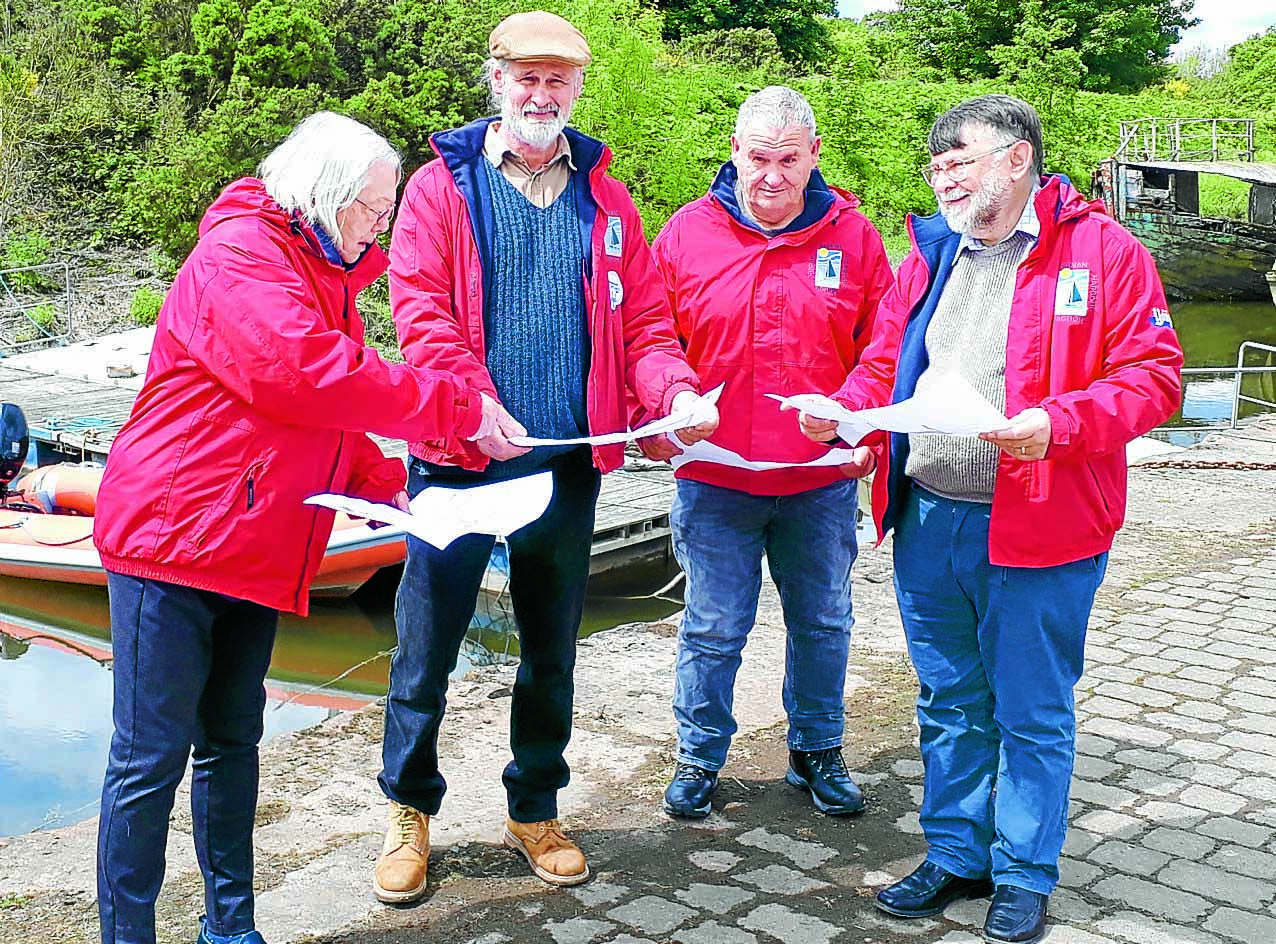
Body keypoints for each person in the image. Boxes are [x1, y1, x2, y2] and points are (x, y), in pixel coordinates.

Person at [92, 111, 503, 944]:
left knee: (233, 741)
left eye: (388, 207)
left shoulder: (326, 274)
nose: (382, 222)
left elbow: (334, 418)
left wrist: (388, 488)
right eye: (372, 206)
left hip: (252, 545)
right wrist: (457, 403)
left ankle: (229, 928)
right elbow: (305, 375)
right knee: (149, 762)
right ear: (324, 194)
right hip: (170, 545)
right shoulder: (239, 254)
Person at [798, 95, 1183, 944]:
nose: (941, 175)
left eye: (958, 159)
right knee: (947, 701)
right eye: (934, 164)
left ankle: (1022, 872)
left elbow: (1155, 378)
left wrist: (1060, 422)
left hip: (1041, 523)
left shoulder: (1102, 249)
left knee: (1031, 710)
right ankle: (955, 853)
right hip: (930, 520)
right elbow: (886, 362)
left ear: (1016, 160)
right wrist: (847, 410)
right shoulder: (930, 253)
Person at [373, 10, 717, 900]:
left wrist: (673, 390)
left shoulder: (606, 194)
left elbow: (643, 320)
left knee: (551, 649)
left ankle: (533, 807)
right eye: (526, 77)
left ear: (576, 90)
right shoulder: (439, 187)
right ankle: (409, 810)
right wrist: (471, 400)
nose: (541, 94)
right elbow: (419, 312)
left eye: (557, 80)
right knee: (426, 646)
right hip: (457, 454)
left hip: (566, 462)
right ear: (495, 81)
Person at [641, 86, 893, 821]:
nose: (773, 175)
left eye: (789, 159)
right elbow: (652, 340)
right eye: (759, 158)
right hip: (716, 475)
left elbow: (887, 346)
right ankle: (698, 756)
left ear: (815, 156)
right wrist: (675, 398)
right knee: (714, 627)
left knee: (824, 620)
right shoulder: (686, 234)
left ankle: (817, 749)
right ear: (735, 152)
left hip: (819, 480)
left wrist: (850, 410)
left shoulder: (856, 239)